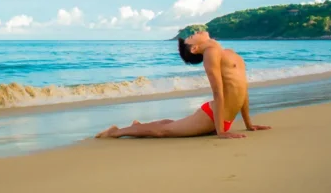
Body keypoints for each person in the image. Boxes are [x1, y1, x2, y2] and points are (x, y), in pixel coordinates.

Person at [95, 30, 271, 139]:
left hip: (223, 118)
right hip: (212, 116)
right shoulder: (211, 53)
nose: (194, 33)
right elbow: (217, 92)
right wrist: (221, 132)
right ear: (195, 49)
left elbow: (242, 89)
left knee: (173, 125)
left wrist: (249, 124)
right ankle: (115, 132)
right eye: (191, 37)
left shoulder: (229, 53)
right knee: (163, 132)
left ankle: (137, 126)